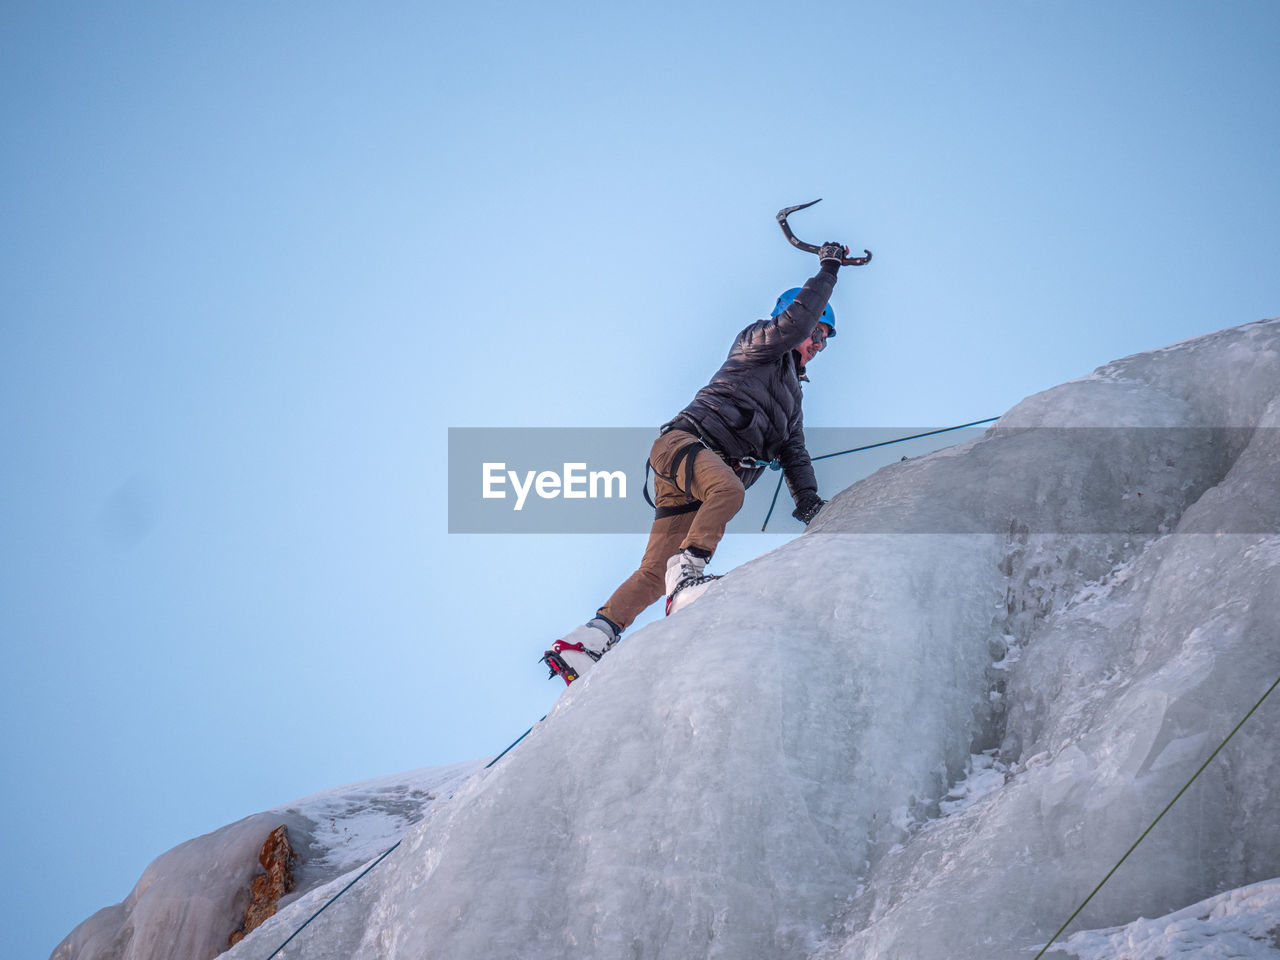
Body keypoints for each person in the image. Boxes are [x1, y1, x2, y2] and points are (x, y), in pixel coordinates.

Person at [541, 241, 850, 684]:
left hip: (696, 475)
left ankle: (588, 641)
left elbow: (793, 451)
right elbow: (794, 322)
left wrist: (809, 502)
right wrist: (828, 271)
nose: (820, 344)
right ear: (797, 318)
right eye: (818, 333)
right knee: (728, 491)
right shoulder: (759, 341)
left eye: (826, 340)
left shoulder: (793, 399)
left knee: (652, 571)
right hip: (684, 447)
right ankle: (687, 576)